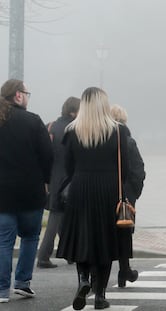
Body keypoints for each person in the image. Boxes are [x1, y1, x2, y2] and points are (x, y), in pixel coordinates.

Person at [56, 87, 129, 310]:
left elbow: (68, 166)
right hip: (108, 189)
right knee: (106, 241)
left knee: (82, 236)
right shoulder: (118, 131)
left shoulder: (72, 131)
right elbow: (124, 167)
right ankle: (100, 296)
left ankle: (84, 280)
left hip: (80, 187)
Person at [0, 79, 53, 303]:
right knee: (30, 236)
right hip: (31, 191)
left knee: (3, 241)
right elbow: (47, 156)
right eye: (27, 93)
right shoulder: (33, 121)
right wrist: (47, 182)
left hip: (2, 194)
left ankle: (1, 290)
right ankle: (22, 283)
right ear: (18, 96)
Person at [37, 97, 80, 268]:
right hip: (69, 178)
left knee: (60, 216)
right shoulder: (75, 128)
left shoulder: (50, 126)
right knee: (56, 217)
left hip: (52, 178)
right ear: (73, 111)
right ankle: (43, 256)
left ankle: (70, 253)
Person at [110, 104, 146, 288]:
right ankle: (124, 270)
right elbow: (139, 170)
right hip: (125, 195)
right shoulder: (129, 141)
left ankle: (98, 277)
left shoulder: (101, 138)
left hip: (106, 193)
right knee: (124, 231)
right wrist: (133, 194)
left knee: (107, 233)